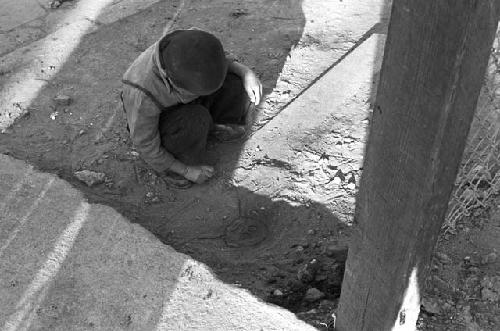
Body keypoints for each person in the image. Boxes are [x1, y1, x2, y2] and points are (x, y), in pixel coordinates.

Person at [121, 29, 262, 188]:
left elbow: (223, 61)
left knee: (234, 83)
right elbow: (146, 145)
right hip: (165, 121)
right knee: (194, 120)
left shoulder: (195, 41)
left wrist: (246, 73)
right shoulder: (142, 96)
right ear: (171, 82)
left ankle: (214, 126)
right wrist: (186, 170)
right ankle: (172, 168)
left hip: (185, 94)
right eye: (193, 94)